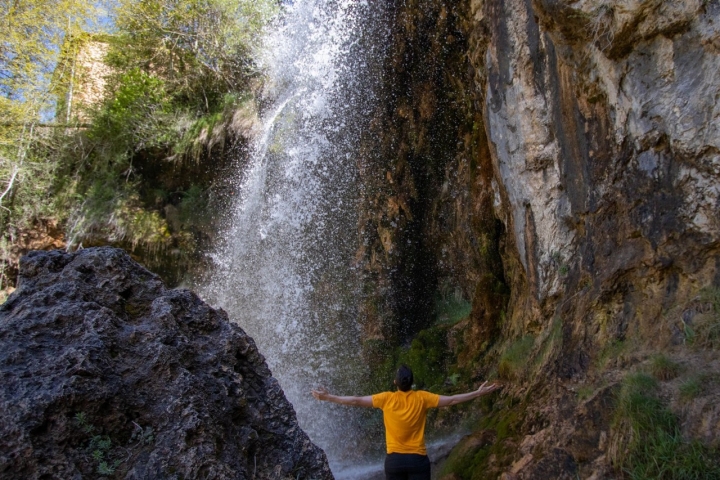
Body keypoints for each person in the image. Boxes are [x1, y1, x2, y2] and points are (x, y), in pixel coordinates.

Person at [311, 365, 500, 480]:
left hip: (394, 461)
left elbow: (356, 400)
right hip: (417, 460)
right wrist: (478, 392)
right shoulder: (422, 398)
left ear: (395, 382)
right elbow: (452, 400)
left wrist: (328, 397)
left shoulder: (386, 399)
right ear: (412, 382)